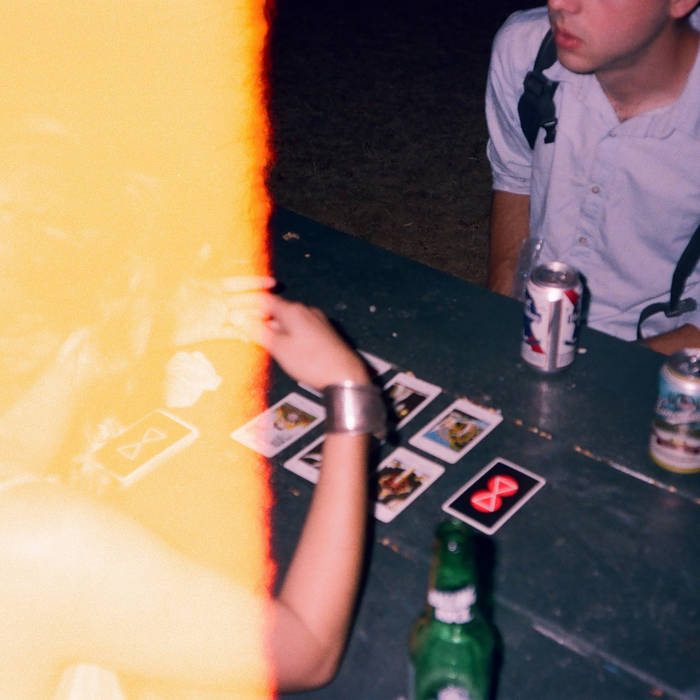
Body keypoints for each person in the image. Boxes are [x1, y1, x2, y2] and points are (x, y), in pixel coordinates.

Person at [485, 0, 700, 355]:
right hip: (536, 332)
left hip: (668, 355)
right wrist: (501, 318)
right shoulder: (526, 50)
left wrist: (604, 371)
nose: (560, 4)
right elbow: (515, 177)